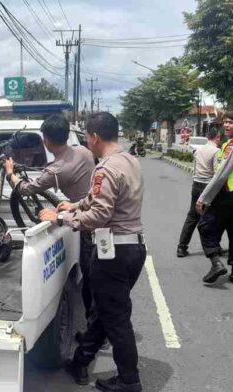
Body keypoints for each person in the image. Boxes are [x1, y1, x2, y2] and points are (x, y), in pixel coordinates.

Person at [39, 112, 146, 392]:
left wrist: (60, 219)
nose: (86, 142)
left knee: (117, 320)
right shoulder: (130, 160)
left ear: (94, 137)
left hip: (114, 253)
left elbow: (99, 214)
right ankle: (80, 360)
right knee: (105, 312)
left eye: (87, 137)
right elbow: (98, 198)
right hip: (134, 247)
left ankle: (129, 381)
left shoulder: (105, 168)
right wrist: (74, 206)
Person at [3, 113, 96, 318]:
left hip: (86, 223)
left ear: (45, 140)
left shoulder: (56, 170)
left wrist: (10, 173)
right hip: (89, 209)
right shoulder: (83, 151)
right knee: (93, 276)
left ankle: (94, 325)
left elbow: (26, 189)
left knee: (91, 278)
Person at [196, 111, 233, 287]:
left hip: (227, 195)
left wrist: (203, 198)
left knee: (205, 226)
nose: (226, 126)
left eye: (231, 123)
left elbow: (221, 175)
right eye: (226, 123)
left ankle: (216, 263)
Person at [177, 127, 221, 257]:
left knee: (192, 216)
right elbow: (216, 172)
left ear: (207, 137)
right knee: (210, 219)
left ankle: (181, 247)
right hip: (208, 187)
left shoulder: (198, 151)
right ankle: (213, 248)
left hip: (196, 185)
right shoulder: (217, 151)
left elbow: (194, 169)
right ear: (217, 137)